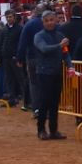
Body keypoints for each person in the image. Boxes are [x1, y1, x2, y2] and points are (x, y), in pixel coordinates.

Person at [29, 9, 70, 141]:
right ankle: (41, 130)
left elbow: (65, 53)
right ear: (43, 22)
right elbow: (44, 49)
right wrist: (59, 45)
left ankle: (53, 130)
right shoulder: (39, 36)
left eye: (52, 20)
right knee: (44, 102)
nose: (50, 23)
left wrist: (70, 66)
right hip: (43, 73)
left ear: (56, 20)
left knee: (55, 102)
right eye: (47, 21)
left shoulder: (60, 35)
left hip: (57, 72)